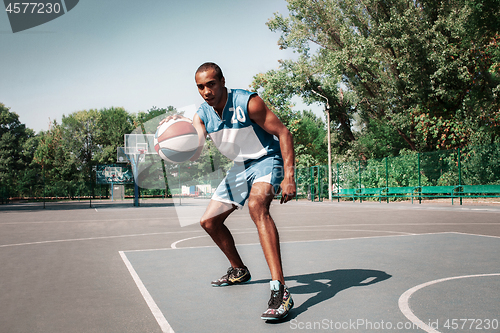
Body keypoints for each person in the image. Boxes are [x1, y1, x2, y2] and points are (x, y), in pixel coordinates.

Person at [161, 62, 296, 321]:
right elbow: (195, 151)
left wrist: (288, 177)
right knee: (209, 221)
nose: (206, 91)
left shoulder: (249, 102)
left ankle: (280, 290)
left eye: (211, 84)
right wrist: (174, 133)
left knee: (257, 207)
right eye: (200, 87)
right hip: (240, 168)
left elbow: (283, 133)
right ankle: (239, 270)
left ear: (222, 81)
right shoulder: (201, 115)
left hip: (267, 159)